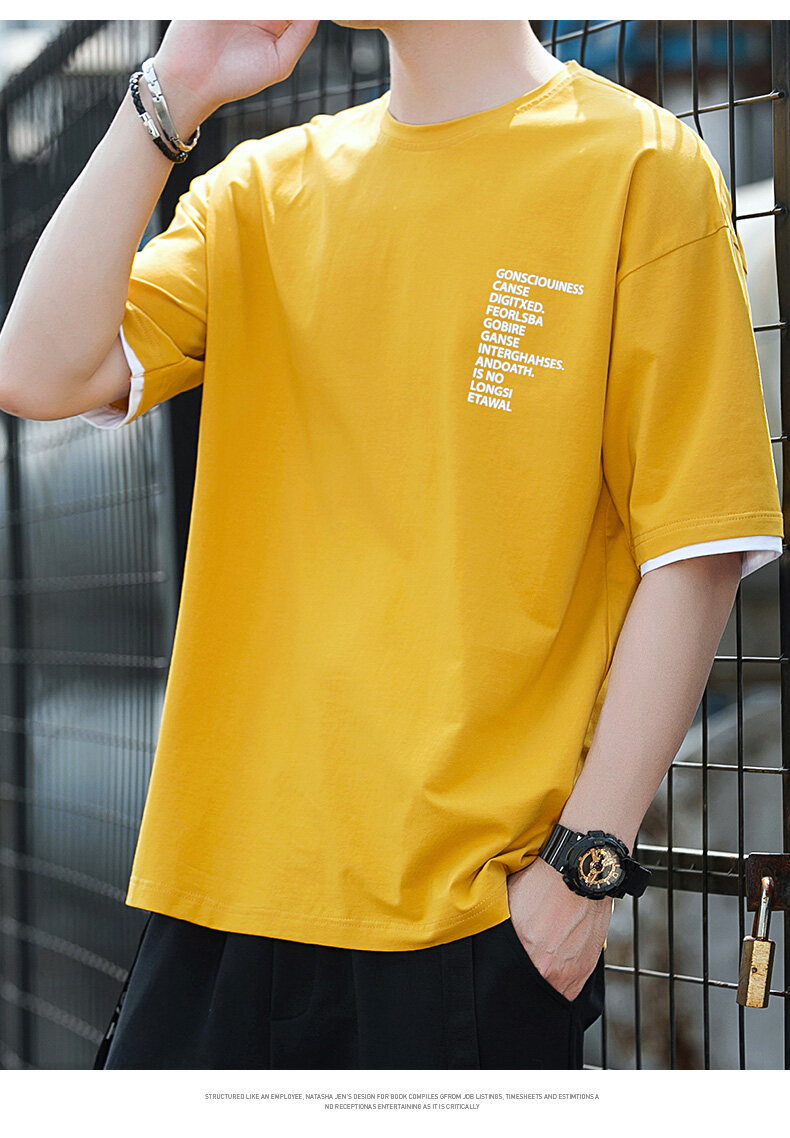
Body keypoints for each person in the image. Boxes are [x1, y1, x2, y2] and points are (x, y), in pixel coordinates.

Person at [0, 19, 783, 1071]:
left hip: (467, 921)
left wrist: (583, 867)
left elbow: (696, 547)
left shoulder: (640, 167)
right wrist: (171, 90)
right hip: (222, 896)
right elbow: (37, 369)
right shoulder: (263, 190)